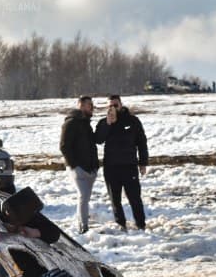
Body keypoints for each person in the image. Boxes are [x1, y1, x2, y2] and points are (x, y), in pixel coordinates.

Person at [94, 94, 149, 231]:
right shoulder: (103, 122)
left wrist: (143, 163)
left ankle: (140, 224)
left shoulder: (132, 121)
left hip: (129, 165)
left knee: (134, 198)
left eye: (115, 105)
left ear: (121, 104)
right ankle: (121, 223)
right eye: (110, 106)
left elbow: (141, 142)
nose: (113, 108)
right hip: (111, 167)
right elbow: (98, 139)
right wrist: (108, 124)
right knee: (115, 199)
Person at [60, 95, 98, 233]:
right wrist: (74, 165)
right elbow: (64, 146)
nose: (92, 107)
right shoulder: (71, 123)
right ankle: (83, 226)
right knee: (83, 196)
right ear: (81, 106)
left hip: (90, 168)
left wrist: (94, 166)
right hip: (78, 168)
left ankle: (83, 223)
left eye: (92, 105)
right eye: (89, 105)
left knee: (85, 198)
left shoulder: (86, 123)